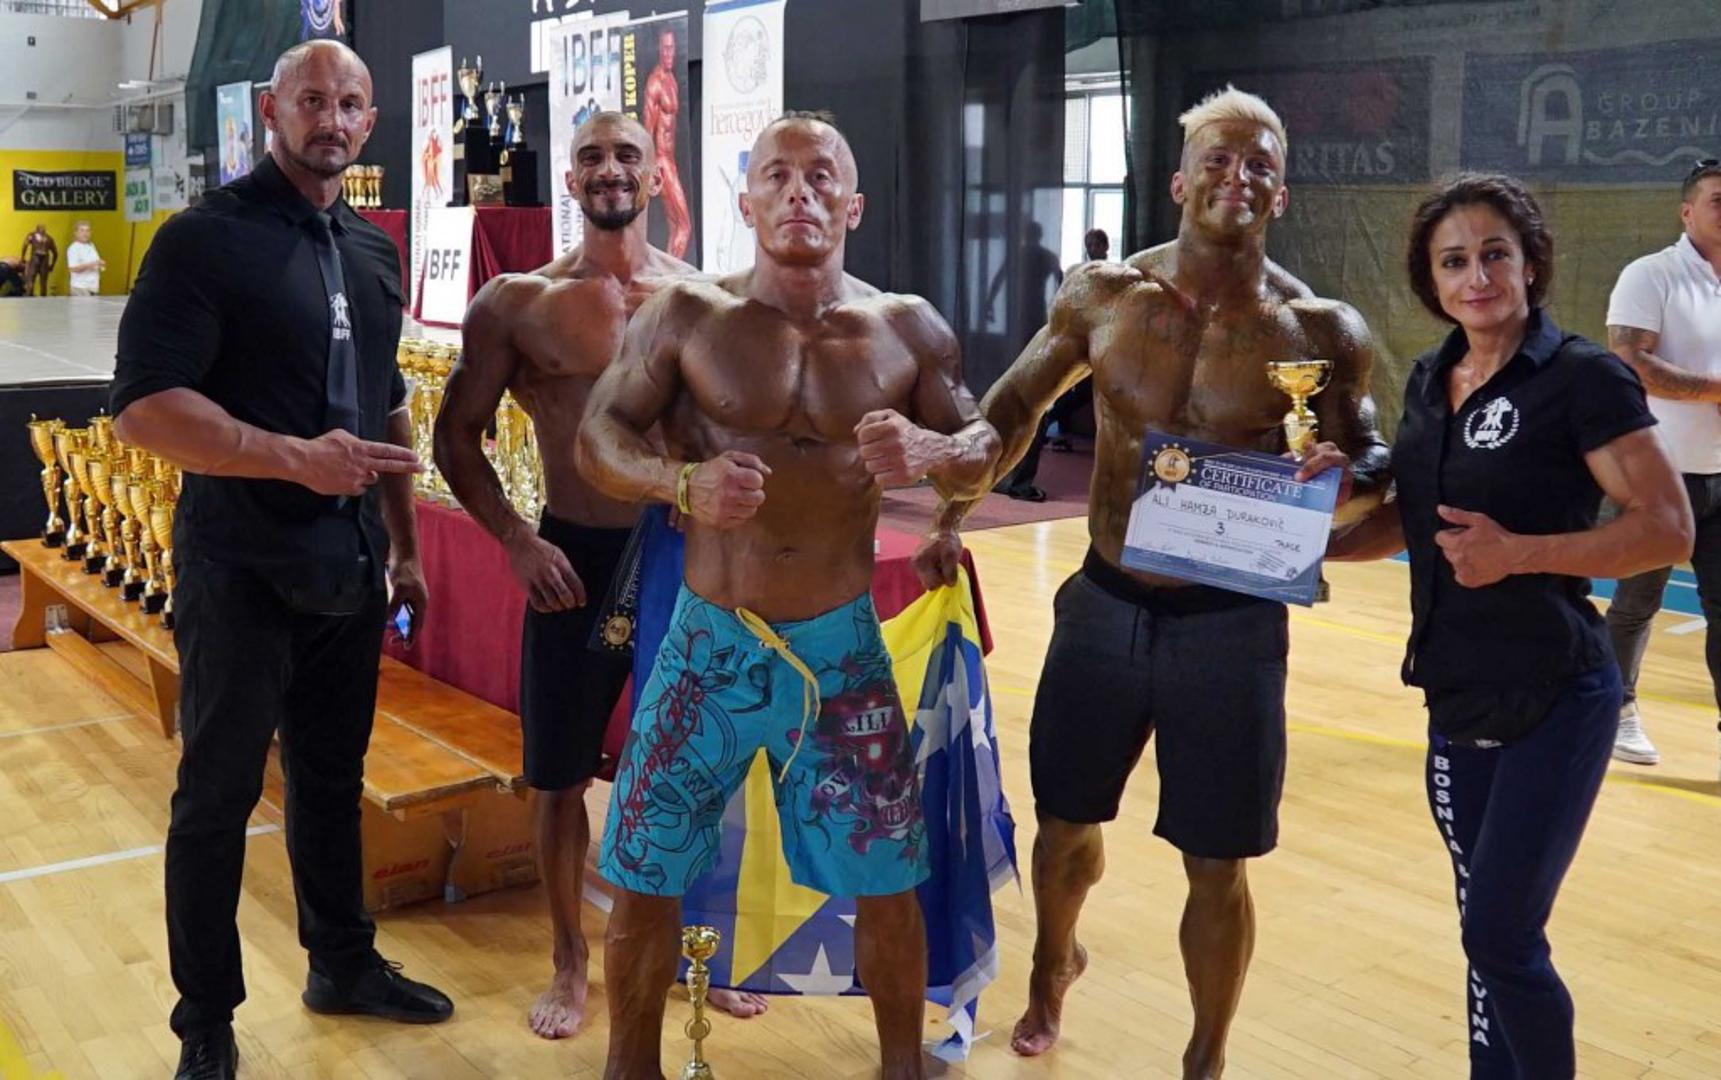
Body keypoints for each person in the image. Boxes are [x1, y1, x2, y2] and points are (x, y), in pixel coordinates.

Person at [917, 86, 1388, 1075]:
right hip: (1105, 600)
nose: (1236, 177)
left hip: (1231, 621)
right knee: (1062, 826)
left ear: (1280, 195)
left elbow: (1368, 457)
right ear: (1178, 182)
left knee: (1217, 859)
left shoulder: (1318, 329)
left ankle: (1204, 1057)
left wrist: (1345, 484)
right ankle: (1052, 962)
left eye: (1258, 165)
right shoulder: (1103, 296)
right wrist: (958, 486)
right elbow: (1012, 407)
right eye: (1217, 159)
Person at [576, 111, 999, 1080]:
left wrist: (935, 450)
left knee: (885, 877)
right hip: (709, 644)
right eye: (776, 174)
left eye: (820, 176)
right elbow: (599, 438)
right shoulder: (685, 317)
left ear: (853, 205)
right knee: (644, 869)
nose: (799, 191)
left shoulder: (907, 328)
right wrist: (681, 484)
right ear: (744, 201)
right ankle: (629, 1069)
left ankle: (900, 1068)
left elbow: (981, 446)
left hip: (839, 652)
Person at [109, 40, 452, 1080]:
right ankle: (205, 1019)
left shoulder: (375, 249)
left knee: (332, 779)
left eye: (349, 103)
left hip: (350, 564)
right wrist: (293, 459)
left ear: (371, 121)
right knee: (216, 795)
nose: (330, 119)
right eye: (312, 99)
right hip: (240, 564)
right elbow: (143, 409)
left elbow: (386, 401)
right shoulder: (201, 239)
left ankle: (342, 964)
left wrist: (404, 544)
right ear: (271, 109)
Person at [1327, 172, 1692, 1077]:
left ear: (1531, 262)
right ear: (1431, 280)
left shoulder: (1582, 378)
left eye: (1495, 254)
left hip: (1555, 696)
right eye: (1453, 261)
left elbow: (1666, 528)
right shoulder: (1429, 377)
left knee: (1501, 934)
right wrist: (1298, 547)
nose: (1476, 276)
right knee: (1482, 931)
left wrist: (1519, 553)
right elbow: (1414, 521)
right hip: (1454, 691)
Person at [435, 111, 764, 1041]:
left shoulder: (704, 298)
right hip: (572, 560)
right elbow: (454, 435)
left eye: (627, 156)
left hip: (681, 559)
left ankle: (702, 946)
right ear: (570, 180)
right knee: (558, 776)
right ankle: (569, 960)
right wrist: (513, 540)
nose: (610, 170)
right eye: (591, 158)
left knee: (699, 766)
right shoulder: (517, 302)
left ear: (656, 176)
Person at [1600, 158, 1721, 767]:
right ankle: (1614, 711)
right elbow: (1631, 362)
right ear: (1687, 211)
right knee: (1636, 603)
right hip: (1658, 474)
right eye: (1719, 200)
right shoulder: (1652, 274)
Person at [642, 27, 691, 260]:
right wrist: (650, 170)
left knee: (675, 227)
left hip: (670, 160)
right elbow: (647, 131)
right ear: (659, 50)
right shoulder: (655, 83)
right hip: (661, 162)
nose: (670, 53)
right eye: (665, 48)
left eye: (672, 48)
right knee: (684, 226)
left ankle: (667, 276)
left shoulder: (671, 79)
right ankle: (673, 277)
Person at [65, 220, 106, 297]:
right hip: (80, 288)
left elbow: (96, 262)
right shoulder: (73, 248)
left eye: (87, 231)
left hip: (93, 287)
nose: (85, 233)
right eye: (82, 230)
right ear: (76, 233)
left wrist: (100, 264)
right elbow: (73, 269)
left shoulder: (91, 245)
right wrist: (94, 263)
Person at [21, 223, 56, 296]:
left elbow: (25, 246)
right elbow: (55, 253)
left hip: (35, 259)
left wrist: (22, 258)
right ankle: (43, 302)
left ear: (36, 230)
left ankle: (29, 300)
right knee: (43, 284)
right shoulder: (49, 238)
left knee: (30, 282)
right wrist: (52, 265)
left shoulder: (31, 235)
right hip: (45, 261)